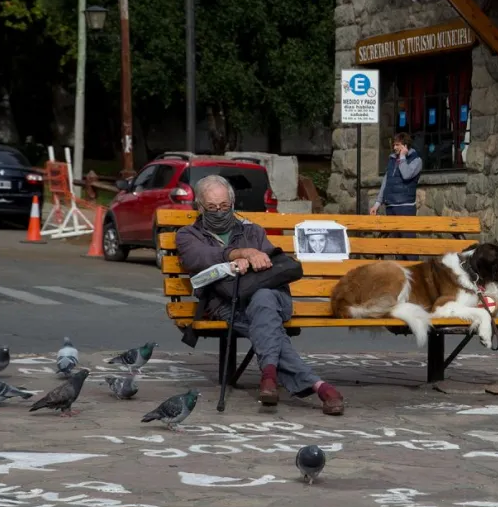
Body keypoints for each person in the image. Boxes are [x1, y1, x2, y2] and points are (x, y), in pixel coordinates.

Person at [176, 175, 345, 416]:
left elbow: (273, 268)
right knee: (267, 324)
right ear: (200, 207)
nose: (219, 211)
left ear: (232, 204)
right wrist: (237, 254)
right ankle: (315, 385)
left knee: (263, 297)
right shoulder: (188, 235)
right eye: (211, 207)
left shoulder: (252, 230)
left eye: (224, 206)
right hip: (228, 303)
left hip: (274, 300)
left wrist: (258, 258)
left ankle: (270, 374)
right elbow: (197, 258)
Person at [370, 132, 423, 220]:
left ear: (405, 145)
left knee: (407, 234)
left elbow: (406, 175)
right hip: (390, 207)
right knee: (393, 234)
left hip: (406, 207)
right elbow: (386, 182)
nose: (394, 148)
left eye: (397, 145)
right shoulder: (392, 159)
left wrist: (402, 157)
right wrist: (377, 204)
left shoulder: (416, 161)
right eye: (394, 145)